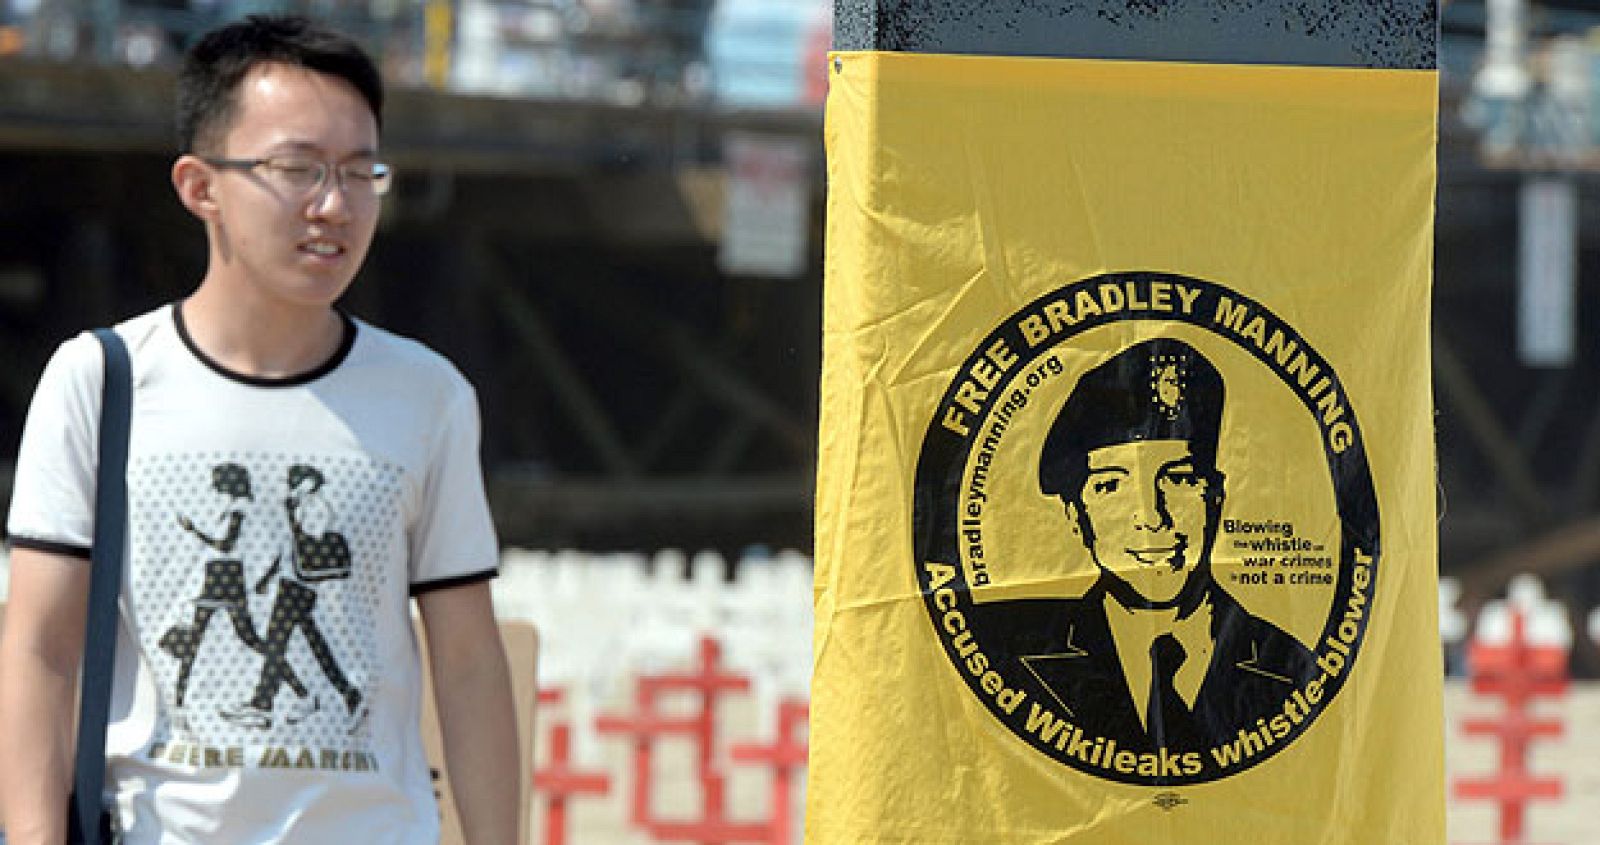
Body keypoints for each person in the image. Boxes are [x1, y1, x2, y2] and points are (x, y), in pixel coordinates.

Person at [0, 15, 520, 843]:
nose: (334, 205)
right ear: (200, 185)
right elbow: (38, 649)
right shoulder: (100, 380)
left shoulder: (429, 396)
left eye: (360, 172)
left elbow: (466, 662)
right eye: (298, 169)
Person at [998, 338, 1317, 755]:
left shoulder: (1291, 668)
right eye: (1111, 486)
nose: (1151, 518)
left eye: (1178, 479)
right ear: (1077, 518)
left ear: (1215, 500)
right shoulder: (1012, 660)